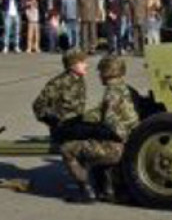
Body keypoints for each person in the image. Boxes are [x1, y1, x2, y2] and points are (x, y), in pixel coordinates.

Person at [60, 55, 140, 204]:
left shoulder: (112, 93)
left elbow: (111, 126)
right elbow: (100, 113)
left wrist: (84, 130)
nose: (98, 76)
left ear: (107, 72)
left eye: (100, 72)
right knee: (93, 142)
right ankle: (108, 190)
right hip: (132, 142)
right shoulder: (126, 89)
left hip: (120, 148)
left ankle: (86, 193)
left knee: (67, 149)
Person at [32, 50, 88, 143]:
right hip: (63, 131)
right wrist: (54, 122)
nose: (86, 65)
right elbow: (38, 105)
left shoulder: (79, 79)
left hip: (76, 127)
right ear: (71, 65)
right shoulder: (58, 83)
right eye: (81, 63)